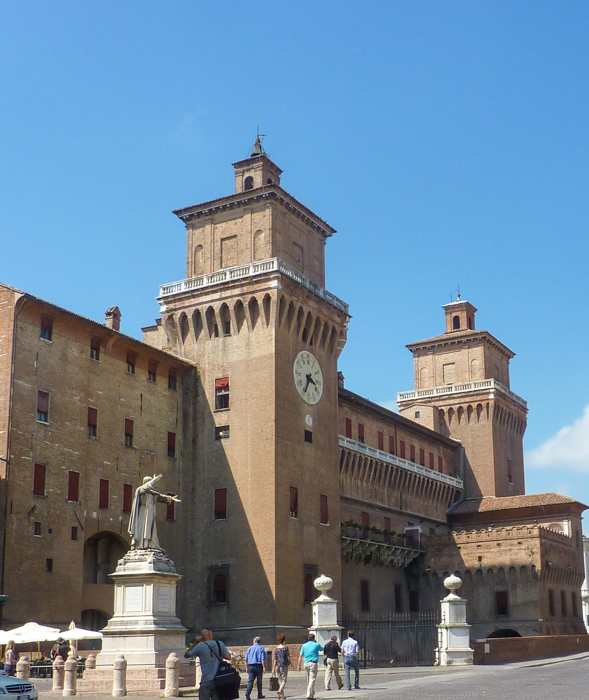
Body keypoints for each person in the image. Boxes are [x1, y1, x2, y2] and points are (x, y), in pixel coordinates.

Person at [128, 474, 180, 550]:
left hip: (151, 512)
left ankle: (151, 544)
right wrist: (155, 480)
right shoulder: (140, 490)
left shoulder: (151, 493)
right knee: (144, 527)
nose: (153, 485)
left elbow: (160, 496)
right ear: (146, 482)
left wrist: (171, 498)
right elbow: (145, 488)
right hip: (144, 512)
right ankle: (143, 545)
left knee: (151, 528)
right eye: (151, 482)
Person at [185, 628, 231, 700]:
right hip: (219, 679)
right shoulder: (220, 644)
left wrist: (195, 642)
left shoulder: (200, 647)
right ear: (210, 635)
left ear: (202, 637)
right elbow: (228, 657)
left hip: (206, 679)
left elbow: (186, 655)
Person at [297, 633, 323, 700]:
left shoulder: (304, 645)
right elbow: (322, 649)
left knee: (308, 680)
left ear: (308, 638)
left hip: (306, 663)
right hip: (313, 663)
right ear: (314, 638)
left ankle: (312, 695)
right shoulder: (316, 644)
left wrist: (299, 665)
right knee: (312, 679)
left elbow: (300, 656)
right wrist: (316, 643)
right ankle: (309, 695)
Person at [244, 636, 266, 700]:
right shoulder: (261, 648)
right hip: (259, 666)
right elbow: (263, 659)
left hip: (251, 666)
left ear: (255, 641)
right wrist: (264, 667)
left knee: (250, 680)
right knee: (259, 681)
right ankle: (259, 694)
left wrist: (247, 667)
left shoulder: (249, 648)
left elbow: (246, 659)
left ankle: (247, 693)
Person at [272, 634, 290, 700]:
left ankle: (282, 696)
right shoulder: (285, 648)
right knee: (284, 680)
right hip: (284, 665)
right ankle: (279, 690)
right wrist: (291, 663)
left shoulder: (276, 649)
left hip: (277, 666)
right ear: (284, 640)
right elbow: (288, 657)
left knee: (280, 681)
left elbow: (275, 659)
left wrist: (273, 668)